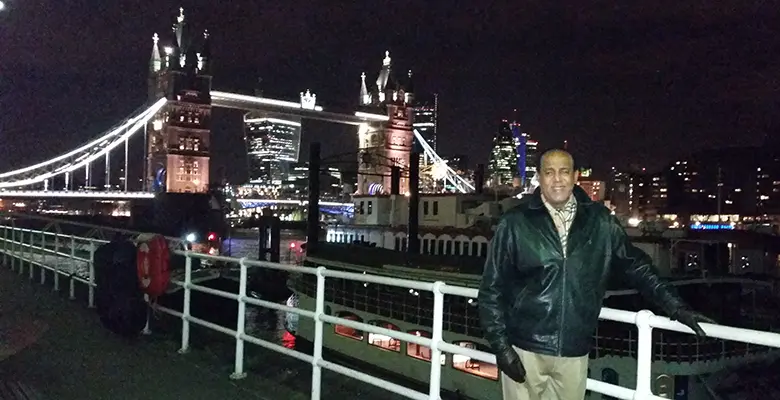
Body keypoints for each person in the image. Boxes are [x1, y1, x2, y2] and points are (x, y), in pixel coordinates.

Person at [477, 149, 714, 400]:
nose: (557, 179)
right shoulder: (515, 222)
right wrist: (501, 347)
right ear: (539, 177)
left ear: (575, 176)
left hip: (574, 350)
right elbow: (491, 289)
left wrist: (676, 307)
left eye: (564, 172)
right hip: (524, 347)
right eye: (549, 172)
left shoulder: (600, 221)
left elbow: (636, 266)